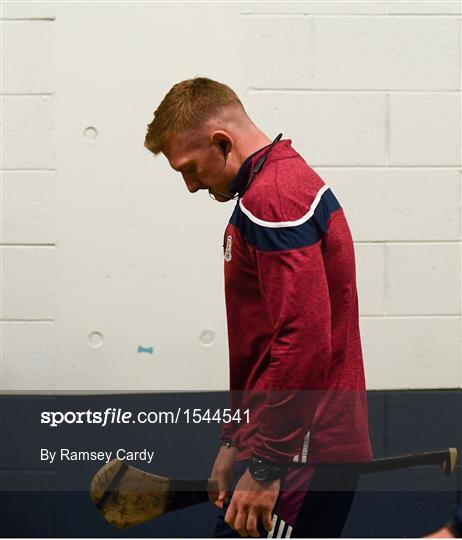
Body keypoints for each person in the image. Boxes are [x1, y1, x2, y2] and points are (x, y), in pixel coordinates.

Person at [144, 77, 373, 538]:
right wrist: (235, 438)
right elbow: (263, 342)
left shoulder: (274, 199)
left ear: (222, 142)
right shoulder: (274, 188)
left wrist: (267, 466)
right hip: (287, 447)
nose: (191, 186)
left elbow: (303, 343)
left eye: (190, 168)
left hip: (298, 454)